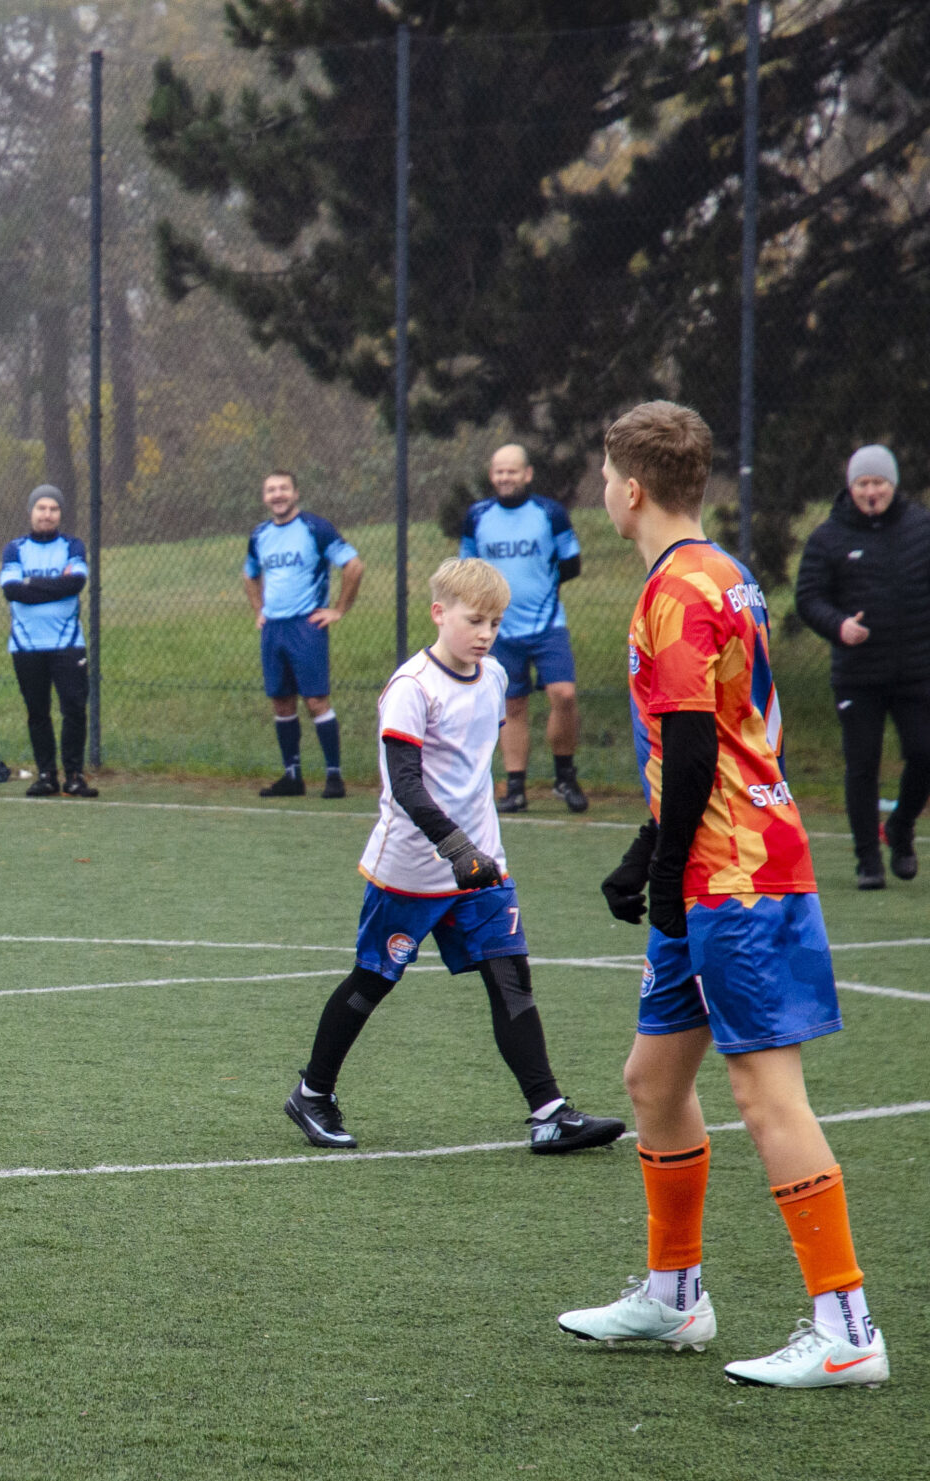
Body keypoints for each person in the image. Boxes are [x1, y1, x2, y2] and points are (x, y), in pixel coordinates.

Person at [565, 400, 887, 1390]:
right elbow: (736, 732)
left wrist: (668, 869)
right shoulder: (725, 573)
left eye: (603, 479)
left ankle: (846, 1327)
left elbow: (699, 742)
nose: (602, 493)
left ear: (630, 489)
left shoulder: (675, 589)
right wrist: (650, 848)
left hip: (734, 878)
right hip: (715, 858)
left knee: (765, 1094)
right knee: (653, 1082)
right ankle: (675, 1296)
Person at [283, 556, 625, 1157]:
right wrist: (455, 846)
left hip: (482, 865)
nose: (486, 634)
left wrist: (475, 849)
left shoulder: (494, 677)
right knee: (373, 979)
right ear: (439, 613)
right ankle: (312, 1093)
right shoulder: (411, 688)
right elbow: (406, 786)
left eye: (495, 622)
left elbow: (469, 771)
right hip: (412, 870)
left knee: (510, 978)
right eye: (475, 621)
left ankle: (550, 1113)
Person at [792, 444, 930, 888]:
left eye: (878, 483)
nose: (871, 492)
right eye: (862, 484)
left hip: (916, 670)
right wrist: (839, 626)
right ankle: (868, 861)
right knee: (862, 765)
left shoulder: (925, 529)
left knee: (925, 754)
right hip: (857, 675)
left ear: (892, 485)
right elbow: (808, 598)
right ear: (850, 487)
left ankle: (900, 826)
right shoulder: (828, 537)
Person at [458, 443, 589, 813]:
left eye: (512, 471)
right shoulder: (477, 516)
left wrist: (540, 590)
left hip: (547, 625)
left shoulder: (551, 514)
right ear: (491, 475)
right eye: (499, 471)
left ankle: (564, 776)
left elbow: (571, 563)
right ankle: (515, 787)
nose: (505, 477)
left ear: (527, 474)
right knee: (512, 705)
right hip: (499, 629)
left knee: (564, 695)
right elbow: (468, 570)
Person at [243, 469, 364, 797]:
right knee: (282, 702)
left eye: (283, 488)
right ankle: (292, 777)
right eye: (271, 490)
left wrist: (338, 609)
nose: (277, 495)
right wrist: (259, 611)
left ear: (295, 494)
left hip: (306, 626)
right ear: (264, 497)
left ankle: (334, 776)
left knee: (315, 701)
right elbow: (249, 573)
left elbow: (354, 566)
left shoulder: (315, 528)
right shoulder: (260, 534)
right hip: (274, 629)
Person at [0, 483, 94, 798]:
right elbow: (12, 590)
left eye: (53, 509)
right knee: (37, 712)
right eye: (41, 508)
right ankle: (46, 776)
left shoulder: (73, 546)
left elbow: (75, 583)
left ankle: (74, 776)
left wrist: (31, 583)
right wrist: (55, 585)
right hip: (26, 646)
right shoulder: (15, 549)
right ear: (31, 512)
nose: (47, 514)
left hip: (68, 644)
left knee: (74, 710)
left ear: (60, 514)